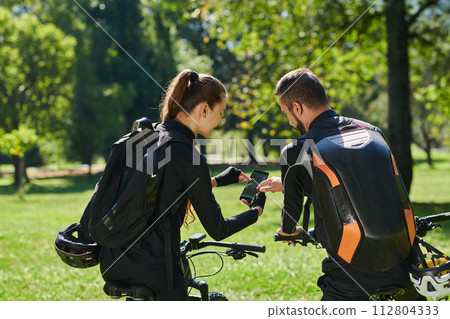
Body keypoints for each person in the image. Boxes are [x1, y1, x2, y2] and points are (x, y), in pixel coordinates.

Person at [258, 67, 425, 301]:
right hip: (405, 261)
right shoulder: (372, 132)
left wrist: (287, 233)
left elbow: (291, 216)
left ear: (297, 107)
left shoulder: (296, 151)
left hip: (351, 274)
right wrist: (285, 183)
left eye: (286, 112)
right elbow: (355, 178)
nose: (288, 119)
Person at [99, 69, 266, 300]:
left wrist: (216, 181)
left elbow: (153, 191)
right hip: (159, 274)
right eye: (220, 112)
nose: (220, 120)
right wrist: (255, 211)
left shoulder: (149, 136)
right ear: (204, 109)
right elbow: (218, 229)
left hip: (116, 262)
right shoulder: (190, 156)